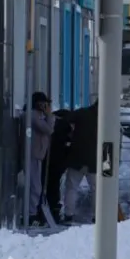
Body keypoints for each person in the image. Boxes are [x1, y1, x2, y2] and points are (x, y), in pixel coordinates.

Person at [27, 91, 55, 226]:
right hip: (33, 155)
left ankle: (33, 211)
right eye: (45, 103)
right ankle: (31, 214)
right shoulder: (33, 116)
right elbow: (49, 129)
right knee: (35, 187)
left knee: (36, 186)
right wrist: (49, 115)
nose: (47, 106)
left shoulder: (37, 116)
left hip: (37, 155)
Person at [44, 107, 75, 223]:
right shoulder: (66, 127)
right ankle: (54, 209)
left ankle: (51, 208)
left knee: (50, 184)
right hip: (59, 160)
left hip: (49, 158)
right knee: (55, 184)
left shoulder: (54, 123)